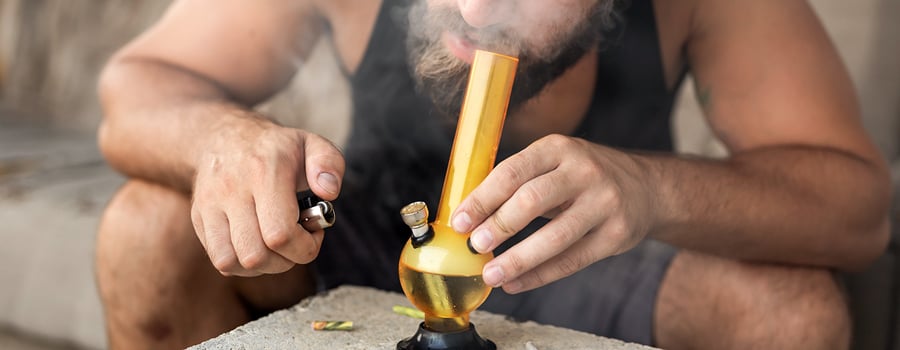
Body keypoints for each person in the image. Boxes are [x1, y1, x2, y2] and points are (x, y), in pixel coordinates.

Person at [95, 0, 891, 349]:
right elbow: (137, 87)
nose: (476, 12)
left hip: (601, 261)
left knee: (792, 314)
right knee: (144, 229)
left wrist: (654, 190)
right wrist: (223, 137)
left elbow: (858, 211)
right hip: (363, 235)